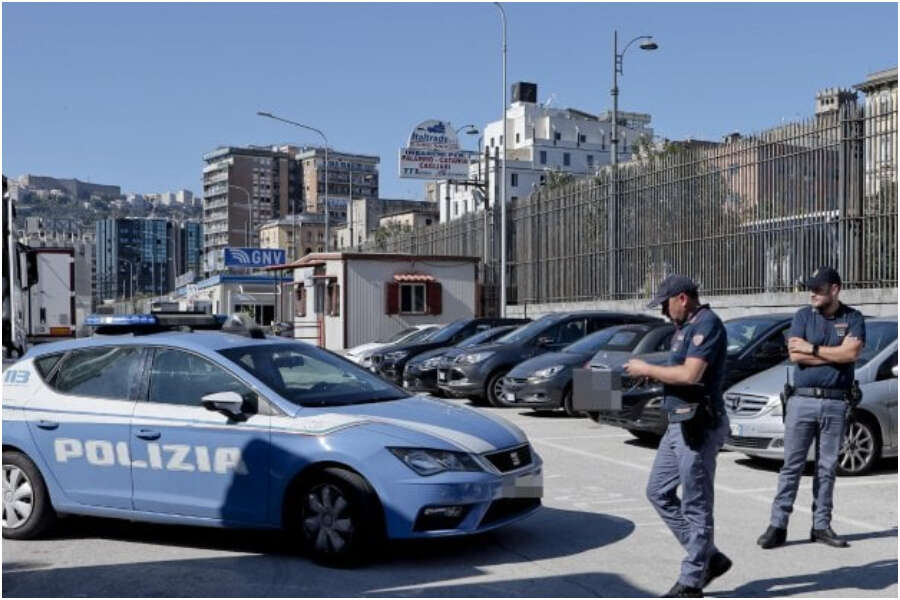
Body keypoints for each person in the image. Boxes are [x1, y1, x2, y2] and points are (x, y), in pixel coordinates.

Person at [625, 274, 731, 598]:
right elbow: (678, 375)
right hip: (677, 423)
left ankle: (691, 581)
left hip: (698, 424)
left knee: (697, 505)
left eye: (666, 305)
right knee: (658, 491)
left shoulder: (707, 325)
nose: (663, 313)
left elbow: (690, 374)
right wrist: (656, 379)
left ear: (682, 299)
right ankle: (708, 557)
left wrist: (647, 369)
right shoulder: (683, 328)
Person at [757, 267, 865, 550]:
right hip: (802, 400)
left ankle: (820, 525)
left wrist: (812, 349)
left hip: (836, 401)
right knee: (791, 466)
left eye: (818, 288)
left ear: (835, 289)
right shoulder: (803, 316)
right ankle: (777, 525)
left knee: (827, 467)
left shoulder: (852, 317)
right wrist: (832, 355)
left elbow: (851, 353)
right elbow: (795, 356)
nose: (813, 293)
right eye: (811, 288)